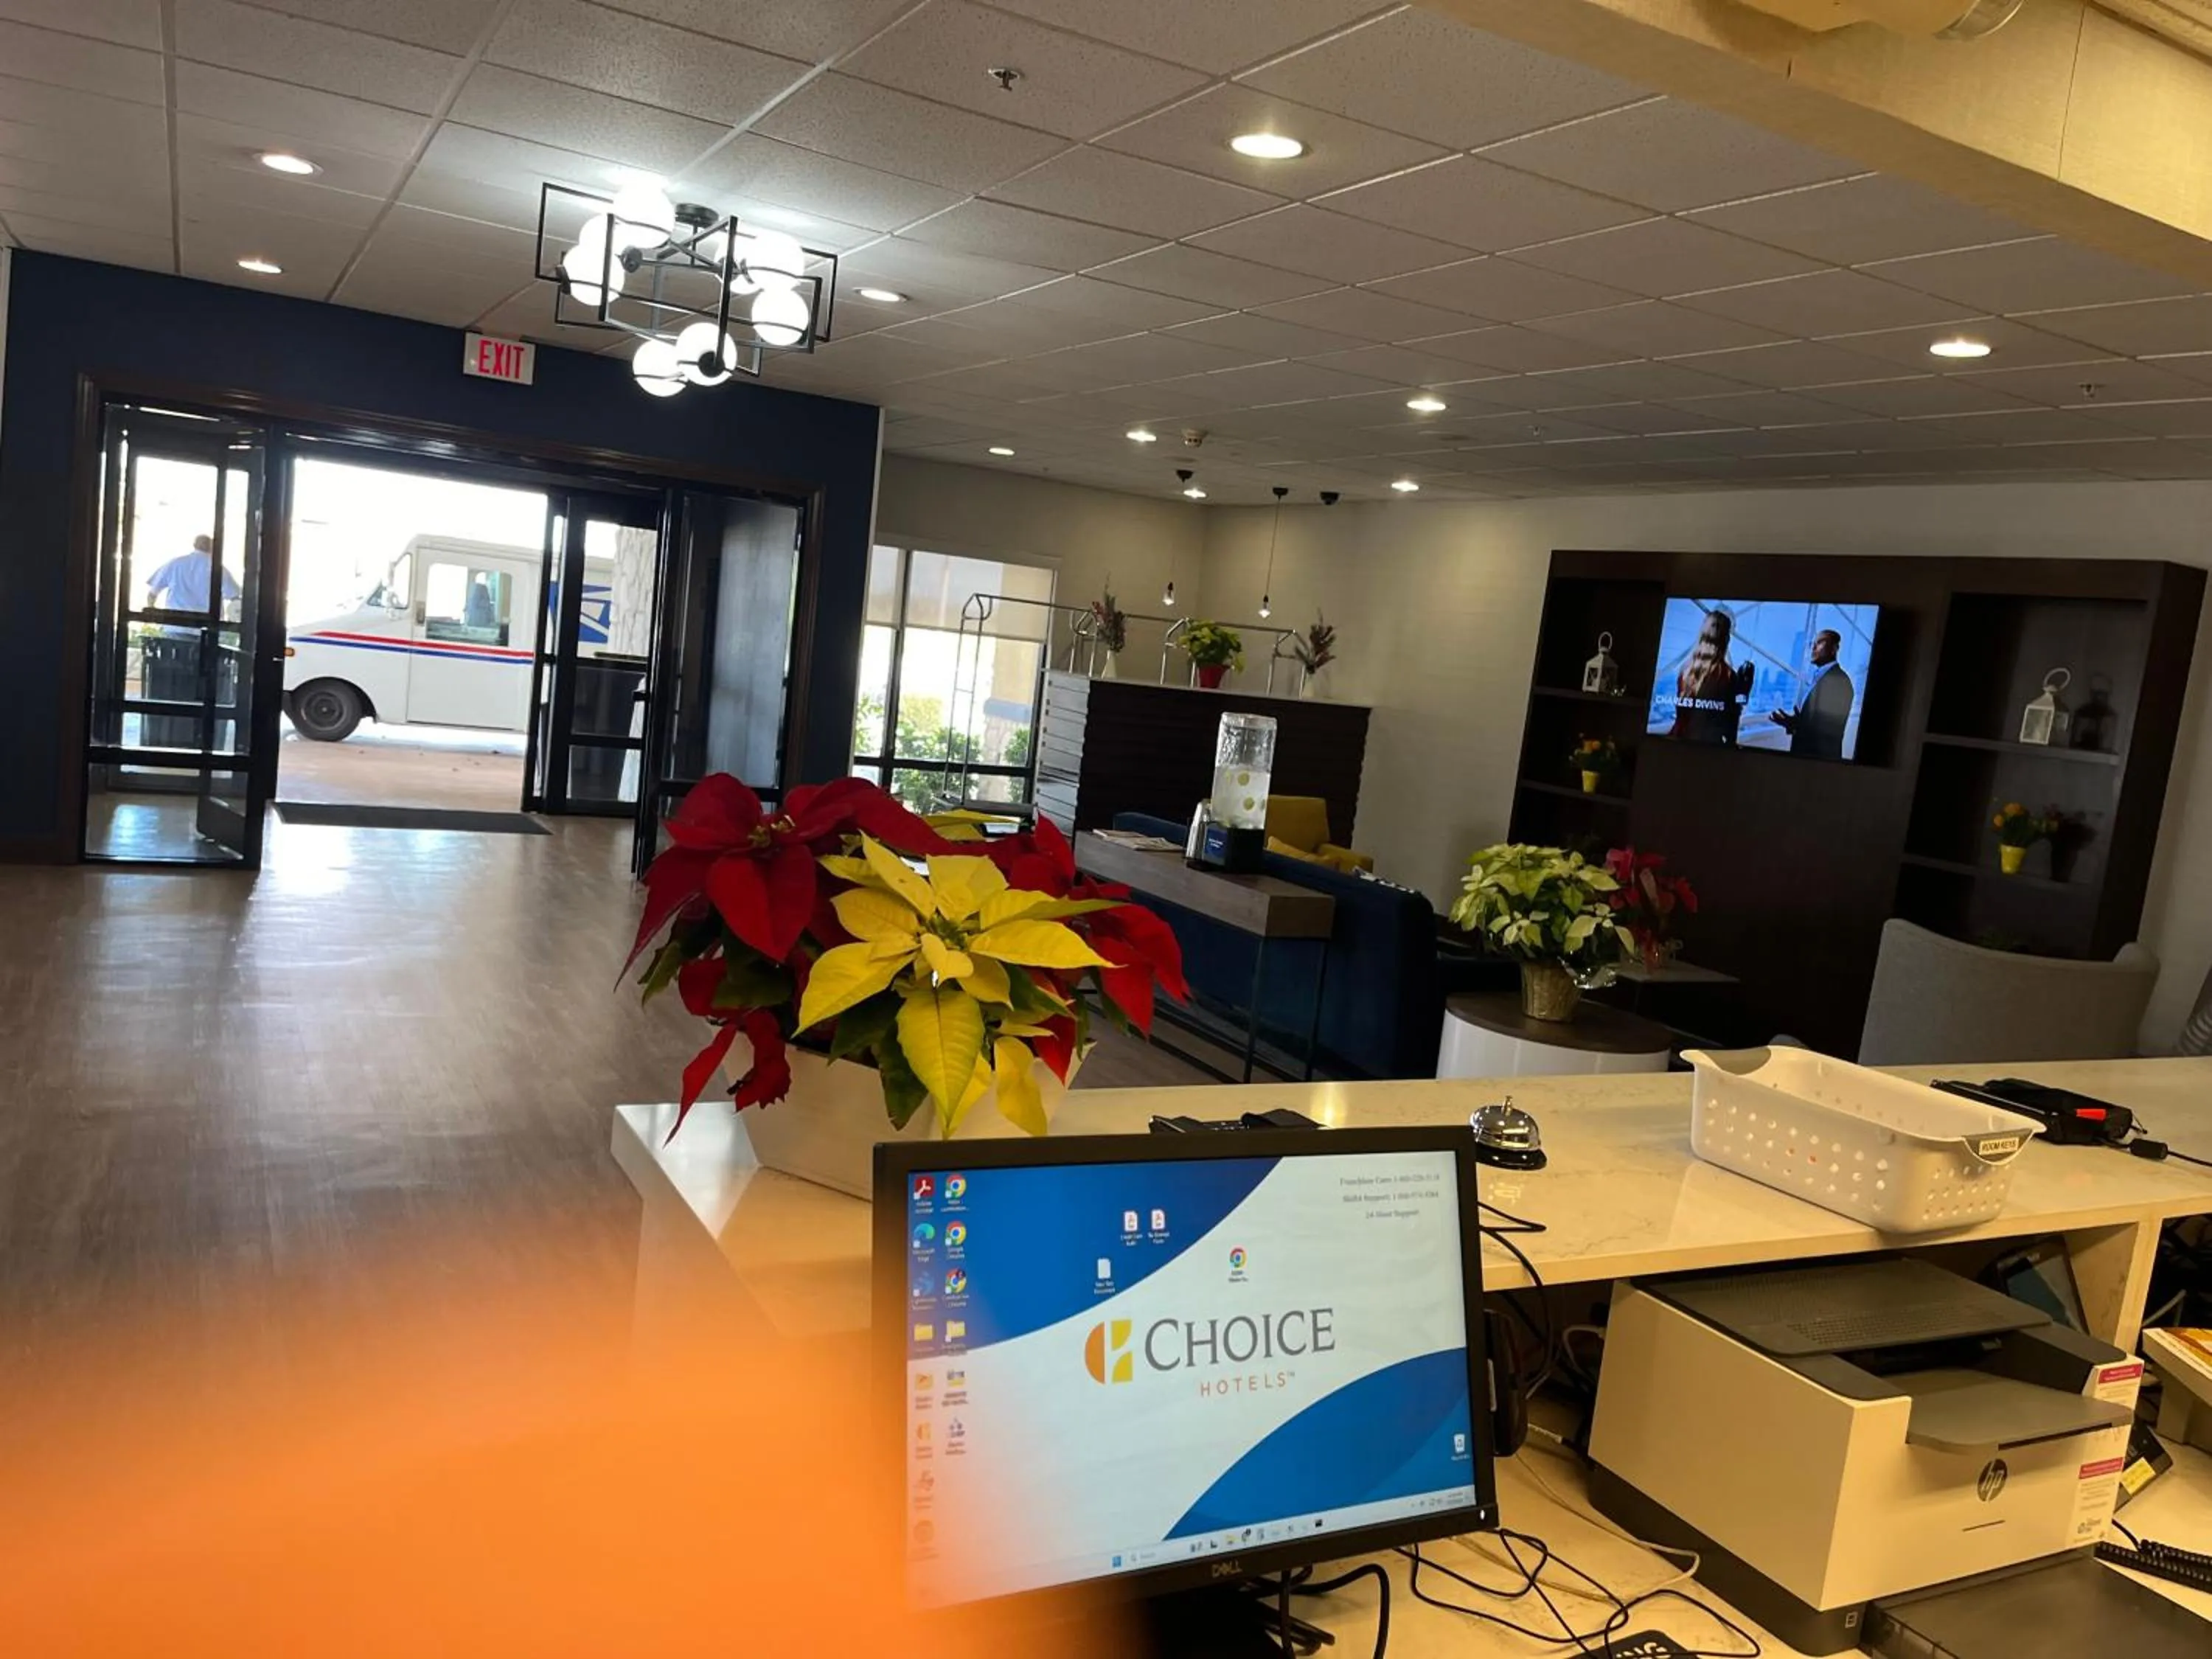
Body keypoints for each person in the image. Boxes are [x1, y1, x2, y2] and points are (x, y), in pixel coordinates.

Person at [1769, 627, 1855, 759]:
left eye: (1820, 642)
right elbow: (1814, 721)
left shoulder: (1840, 682)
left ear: (1834, 649)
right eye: (1813, 643)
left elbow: (1827, 730)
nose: (1813, 647)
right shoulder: (1821, 678)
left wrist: (1794, 725)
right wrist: (1793, 721)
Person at [1668, 608, 1745, 745]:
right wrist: (1742, 695)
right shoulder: (1727, 676)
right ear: (1726, 639)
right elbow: (1730, 731)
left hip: (1677, 745)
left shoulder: (1685, 671)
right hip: (1708, 751)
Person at [142, 533, 240, 633]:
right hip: (207, 629)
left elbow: (152, 594)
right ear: (212, 547)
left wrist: (152, 611)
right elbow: (235, 598)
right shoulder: (219, 569)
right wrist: (231, 619)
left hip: (176, 627)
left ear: (194, 545)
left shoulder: (175, 564)